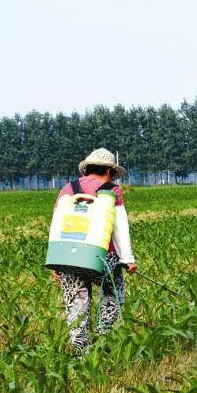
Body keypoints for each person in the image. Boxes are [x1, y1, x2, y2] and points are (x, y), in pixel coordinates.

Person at [53, 148, 137, 352]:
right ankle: (103, 334)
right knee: (114, 292)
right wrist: (128, 259)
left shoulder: (67, 189)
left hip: (67, 256)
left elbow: (56, 224)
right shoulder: (111, 190)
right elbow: (120, 227)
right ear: (109, 171)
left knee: (77, 303)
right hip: (100, 257)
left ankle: (80, 350)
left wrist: (56, 264)